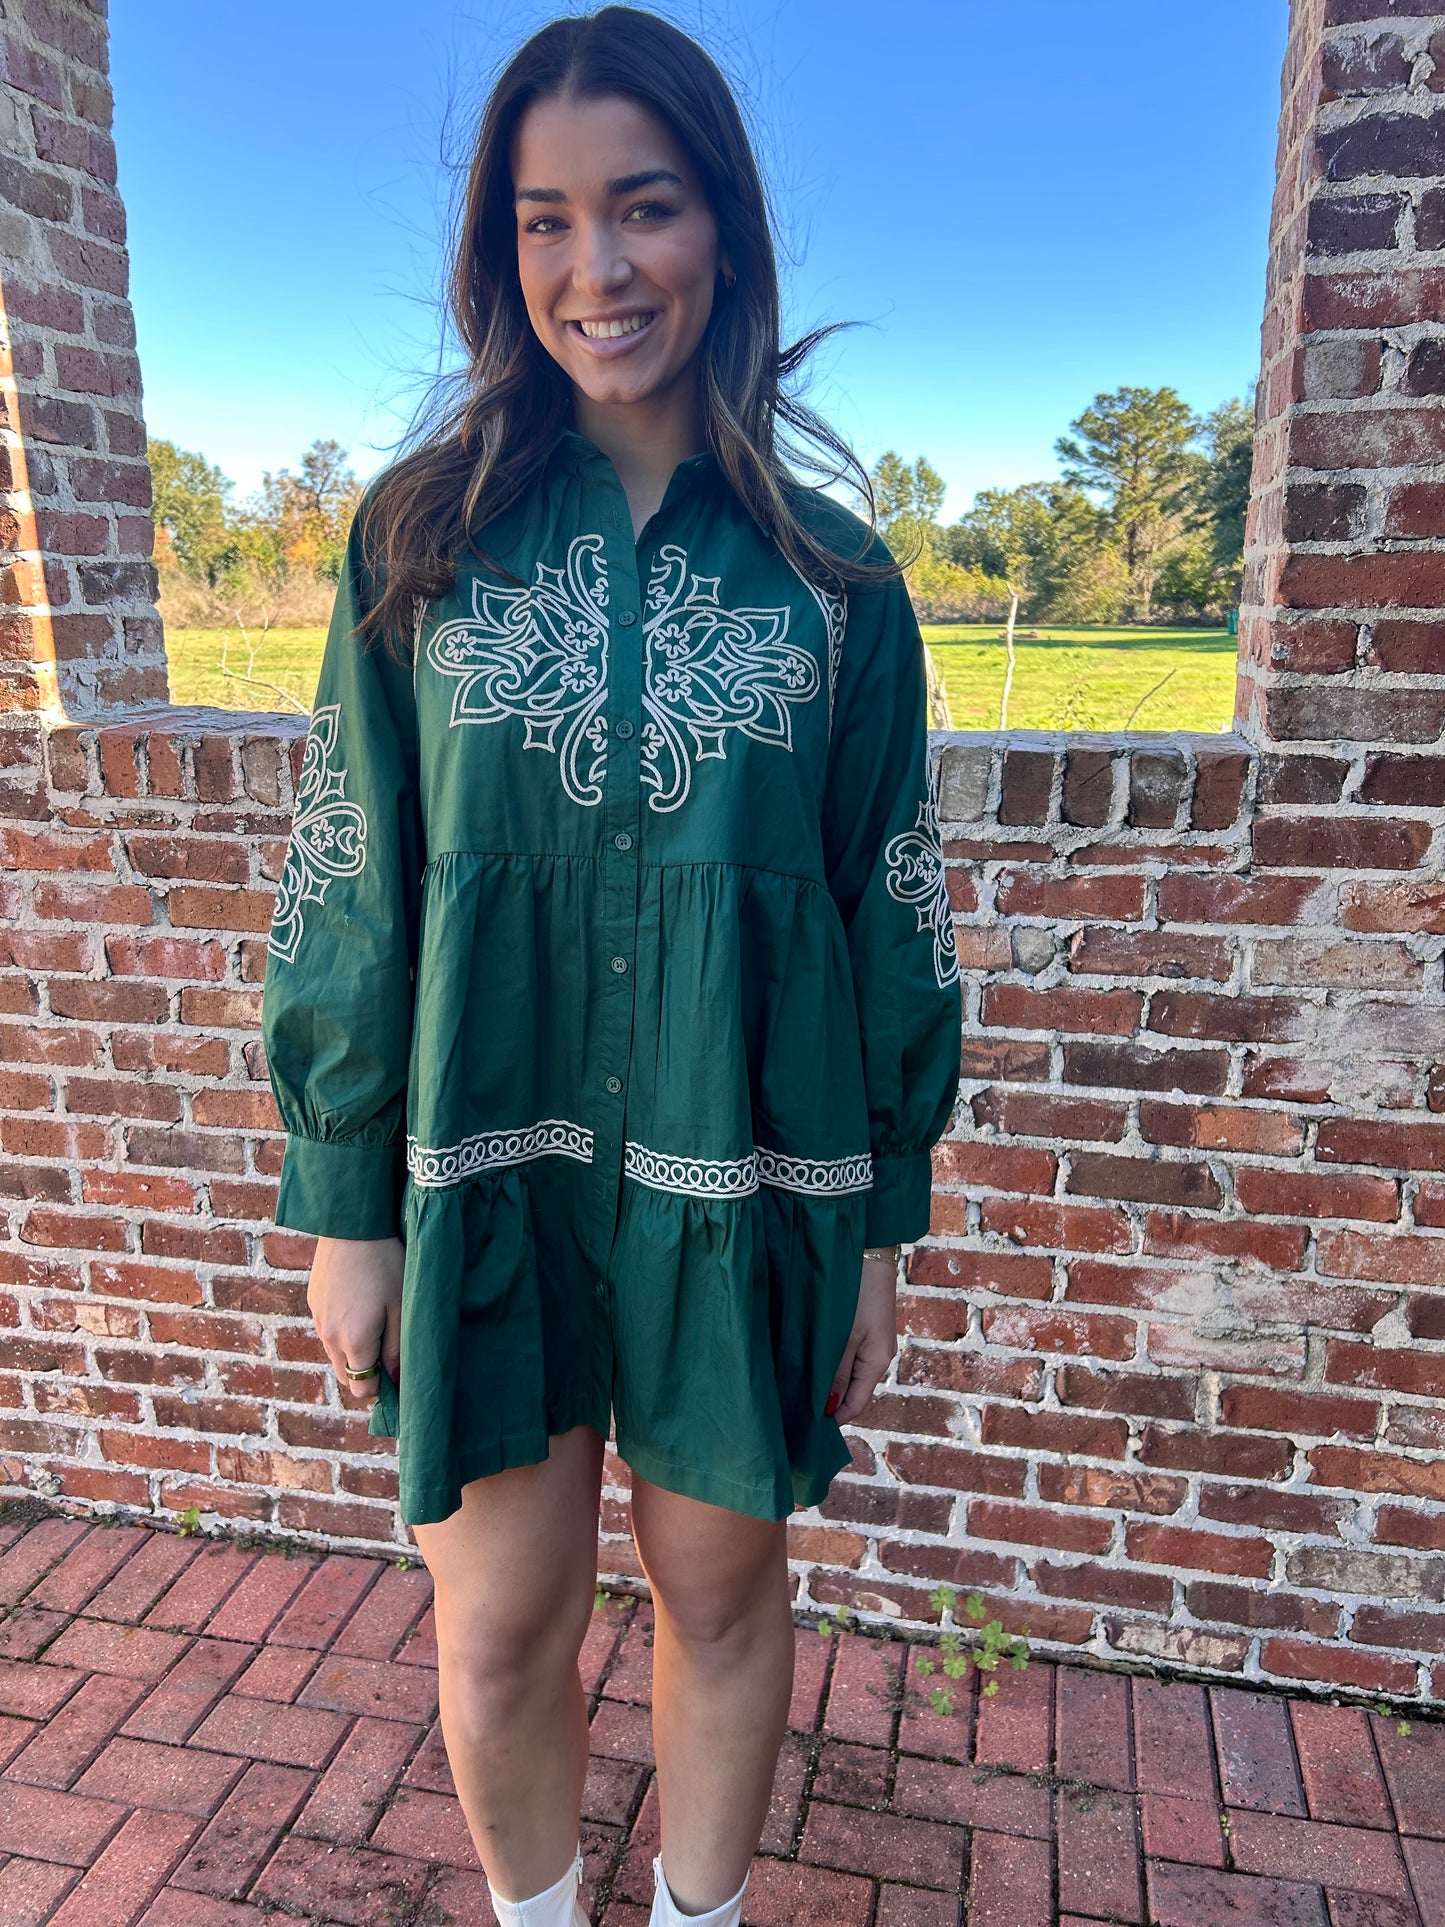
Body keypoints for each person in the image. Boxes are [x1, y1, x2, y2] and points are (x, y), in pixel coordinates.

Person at [259, 8, 963, 1924]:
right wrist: (348, 1207)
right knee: (499, 1626)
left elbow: (886, 906)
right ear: (502, 249)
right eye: (543, 220)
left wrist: (876, 1223)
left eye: (639, 208)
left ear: (720, 227)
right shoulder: (420, 541)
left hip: (752, 1168)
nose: (595, 269)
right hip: (485, 1156)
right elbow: (355, 878)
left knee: (726, 1593)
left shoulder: (839, 583)